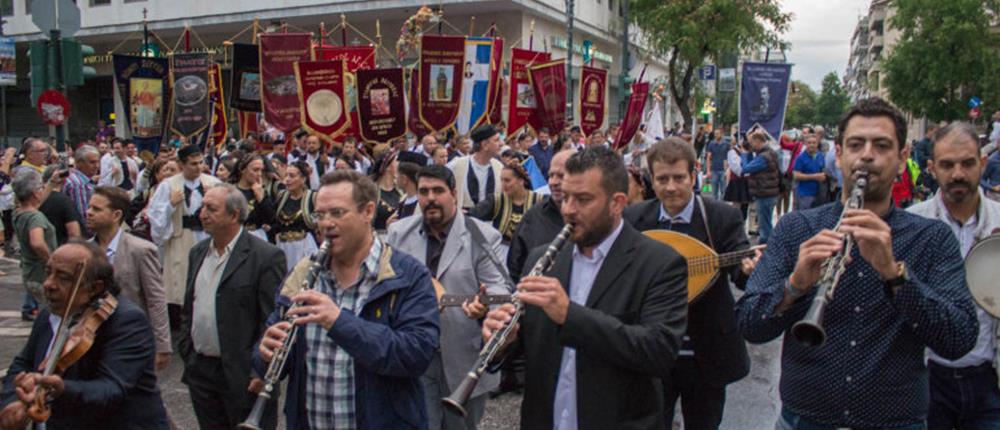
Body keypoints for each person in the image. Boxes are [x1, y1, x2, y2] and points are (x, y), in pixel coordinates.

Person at [735, 98, 978, 429]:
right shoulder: (797, 228)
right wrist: (795, 285)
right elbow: (749, 324)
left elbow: (958, 338)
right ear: (838, 153)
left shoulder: (932, 238)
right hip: (804, 421)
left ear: (903, 157)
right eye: (855, 144)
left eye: (881, 145)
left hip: (895, 422)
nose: (867, 155)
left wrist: (895, 275)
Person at [483, 145, 689, 429]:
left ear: (617, 203)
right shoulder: (541, 257)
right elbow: (533, 344)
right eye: (565, 197)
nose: (568, 209)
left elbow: (658, 352)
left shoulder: (660, 263)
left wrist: (570, 315)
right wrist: (504, 342)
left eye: (582, 199)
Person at [254, 169, 440, 429]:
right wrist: (264, 355)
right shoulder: (304, 272)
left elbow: (416, 355)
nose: (326, 223)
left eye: (337, 213)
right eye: (320, 215)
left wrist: (339, 321)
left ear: (368, 212)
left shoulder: (408, 274)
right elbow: (276, 349)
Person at [623, 138, 758, 429]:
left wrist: (749, 269)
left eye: (679, 178)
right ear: (651, 179)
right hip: (653, 354)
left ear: (694, 176)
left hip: (704, 354)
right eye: (662, 179)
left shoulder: (721, 216)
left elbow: (740, 271)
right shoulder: (634, 219)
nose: (670, 187)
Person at [386, 165, 508, 430]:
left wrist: (484, 307)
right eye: (423, 191)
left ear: (454, 193)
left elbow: (501, 292)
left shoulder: (482, 235)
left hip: (464, 355)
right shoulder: (398, 234)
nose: (430, 198)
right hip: (415, 355)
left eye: (438, 191)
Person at [0, 241, 169, 429]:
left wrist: (63, 390)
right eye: (48, 272)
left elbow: (111, 389)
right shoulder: (50, 314)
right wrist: (12, 400)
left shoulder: (127, 321)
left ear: (95, 288)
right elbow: (23, 363)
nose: (49, 284)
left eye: (63, 278)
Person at [908, 122, 1000, 429]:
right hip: (926, 378)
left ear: (982, 163)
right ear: (932, 168)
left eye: (967, 163)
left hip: (989, 380)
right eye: (947, 165)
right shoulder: (911, 224)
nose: (958, 174)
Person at [178, 184, 286, 430]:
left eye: (211, 209)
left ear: (234, 215)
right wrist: (187, 349)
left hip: (243, 375)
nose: (202, 213)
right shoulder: (197, 252)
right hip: (202, 371)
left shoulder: (266, 257)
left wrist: (262, 370)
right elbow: (190, 306)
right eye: (203, 206)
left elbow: (272, 319)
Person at [87, 186, 172, 372]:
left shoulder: (140, 250)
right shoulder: (84, 250)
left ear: (116, 214)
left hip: (129, 337)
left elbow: (156, 299)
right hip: (89, 337)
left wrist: (162, 346)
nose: (89, 212)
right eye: (89, 207)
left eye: (96, 209)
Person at [147, 145, 221, 326]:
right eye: (192, 164)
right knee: (182, 277)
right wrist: (171, 205)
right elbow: (155, 216)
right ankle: (183, 318)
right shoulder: (168, 185)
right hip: (181, 235)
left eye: (200, 163)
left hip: (207, 235)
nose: (198, 167)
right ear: (181, 164)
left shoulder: (212, 183)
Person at [507, 148, 575, 284]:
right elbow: (514, 267)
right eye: (551, 175)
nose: (553, 182)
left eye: (561, 176)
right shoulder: (533, 216)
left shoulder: (593, 218)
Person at [11, 169, 57, 322]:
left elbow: (37, 202)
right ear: (33, 193)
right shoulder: (35, 217)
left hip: (29, 272)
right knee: (52, 317)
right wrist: (51, 262)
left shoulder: (19, 212)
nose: (42, 190)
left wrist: (50, 183)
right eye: (40, 188)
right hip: (40, 274)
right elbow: (37, 243)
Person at [470, 161, 541, 257]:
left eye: (507, 181)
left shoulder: (539, 200)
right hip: (502, 252)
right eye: (501, 180)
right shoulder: (496, 200)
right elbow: (471, 216)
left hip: (530, 252)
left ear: (521, 181)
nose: (503, 184)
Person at [272, 161, 318, 273]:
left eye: (292, 176)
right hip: (283, 247)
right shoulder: (281, 196)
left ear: (303, 179)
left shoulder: (313, 197)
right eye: (286, 175)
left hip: (304, 247)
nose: (287, 179)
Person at [448, 124, 504, 211]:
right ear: (485, 144)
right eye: (497, 140)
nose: (501, 144)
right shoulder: (457, 165)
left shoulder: (499, 167)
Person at [742, 131, 781, 244]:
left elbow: (746, 168)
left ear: (757, 141)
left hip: (764, 194)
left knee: (764, 225)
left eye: (751, 142)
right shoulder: (770, 152)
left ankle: (766, 247)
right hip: (770, 192)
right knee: (767, 222)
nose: (750, 146)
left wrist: (745, 154)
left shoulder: (763, 157)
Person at [232, 154, 277, 240]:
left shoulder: (262, 191)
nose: (259, 174)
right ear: (243, 169)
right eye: (255, 170)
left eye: (261, 170)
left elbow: (271, 219)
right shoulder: (231, 190)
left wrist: (261, 198)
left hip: (257, 236)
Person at [39, 166, 83, 245]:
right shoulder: (64, 201)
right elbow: (74, 233)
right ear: (64, 179)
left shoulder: (35, 200)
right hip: (59, 248)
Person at [63, 145, 101, 222]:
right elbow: (83, 215)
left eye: (98, 162)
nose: (97, 166)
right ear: (79, 163)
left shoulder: (81, 180)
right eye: (92, 162)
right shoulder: (78, 184)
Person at [792, 134, 827, 210]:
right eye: (809, 143)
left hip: (818, 194)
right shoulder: (800, 158)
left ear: (817, 144)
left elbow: (823, 170)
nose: (812, 145)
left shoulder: (820, 156)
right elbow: (796, 175)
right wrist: (814, 177)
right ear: (805, 144)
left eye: (814, 143)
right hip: (805, 195)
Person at [371, 151, 402, 232]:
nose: (400, 164)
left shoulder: (401, 191)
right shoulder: (371, 192)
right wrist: (386, 226)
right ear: (387, 167)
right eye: (397, 161)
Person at [705, 129, 730, 200]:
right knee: (714, 192)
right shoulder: (711, 144)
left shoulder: (726, 144)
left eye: (717, 133)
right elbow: (708, 157)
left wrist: (727, 170)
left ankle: (721, 207)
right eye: (715, 133)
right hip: (714, 169)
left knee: (723, 191)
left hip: (723, 170)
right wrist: (708, 170)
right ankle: (715, 206)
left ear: (721, 134)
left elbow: (729, 157)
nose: (716, 135)